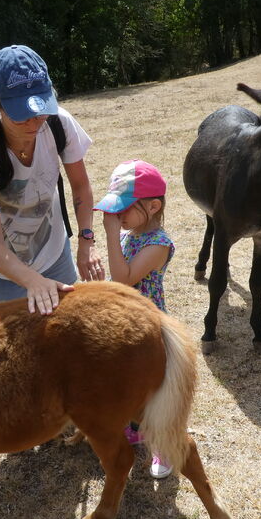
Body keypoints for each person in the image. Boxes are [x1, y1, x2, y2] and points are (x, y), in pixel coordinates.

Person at [0, 45, 104, 313]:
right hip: (1, 270)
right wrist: (34, 282)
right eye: (21, 116)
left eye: (41, 111)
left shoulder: (60, 123)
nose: (35, 123)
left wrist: (86, 242)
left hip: (53, 251)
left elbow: (81, 187)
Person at [94, 160, 175, 478]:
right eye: (115, 210)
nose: (117, 216)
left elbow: (125, 277)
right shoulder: (130, 235)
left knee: (154, 392)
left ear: (153, 206)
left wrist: (111, 235)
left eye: (124, 209)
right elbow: (117, 280)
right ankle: (135, 428)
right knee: (127, 384)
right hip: (126, 325)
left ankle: (165, 446)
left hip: (149, 331)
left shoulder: (158, 245)